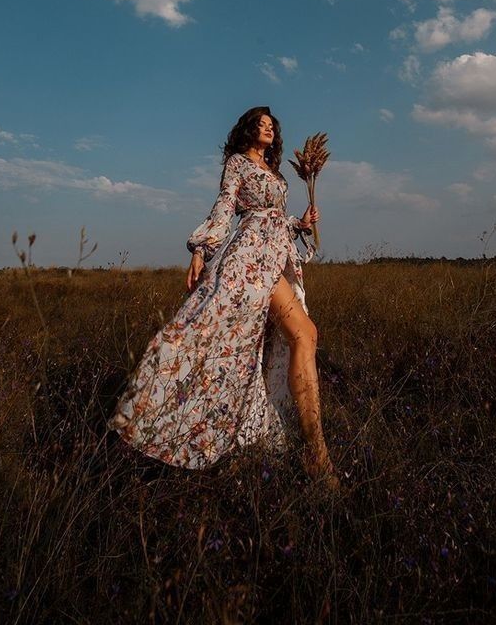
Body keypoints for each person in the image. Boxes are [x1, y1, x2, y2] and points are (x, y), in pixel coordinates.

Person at [108, 106, 340, 490]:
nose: (268, 128)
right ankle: (317, 455)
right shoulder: (236, 163)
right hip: (248, 258)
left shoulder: (275, 173)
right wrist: (201, 247)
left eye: (272, 125)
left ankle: (300, 450)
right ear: (248, 130)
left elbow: (274, 216)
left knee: (299, 337)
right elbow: (225, 206)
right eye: (261, 124)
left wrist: (300, 222)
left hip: (276, 255)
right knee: (251, 337)